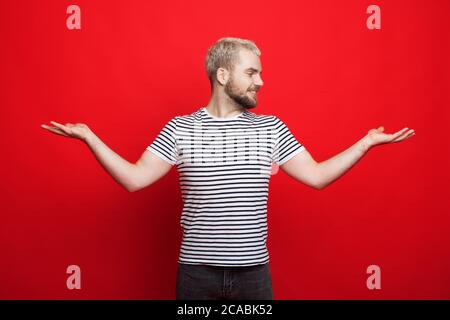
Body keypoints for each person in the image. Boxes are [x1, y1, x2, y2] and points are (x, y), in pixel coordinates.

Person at [41, 37, 415, 300]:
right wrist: (91, 137)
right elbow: (134, 179)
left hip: (254, 275)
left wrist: (365, 144)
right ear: (223, 76)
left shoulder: (271, 128)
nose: (261, 81)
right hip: (195, 274)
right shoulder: (180, 128)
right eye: (252, 72)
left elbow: (316, 176)